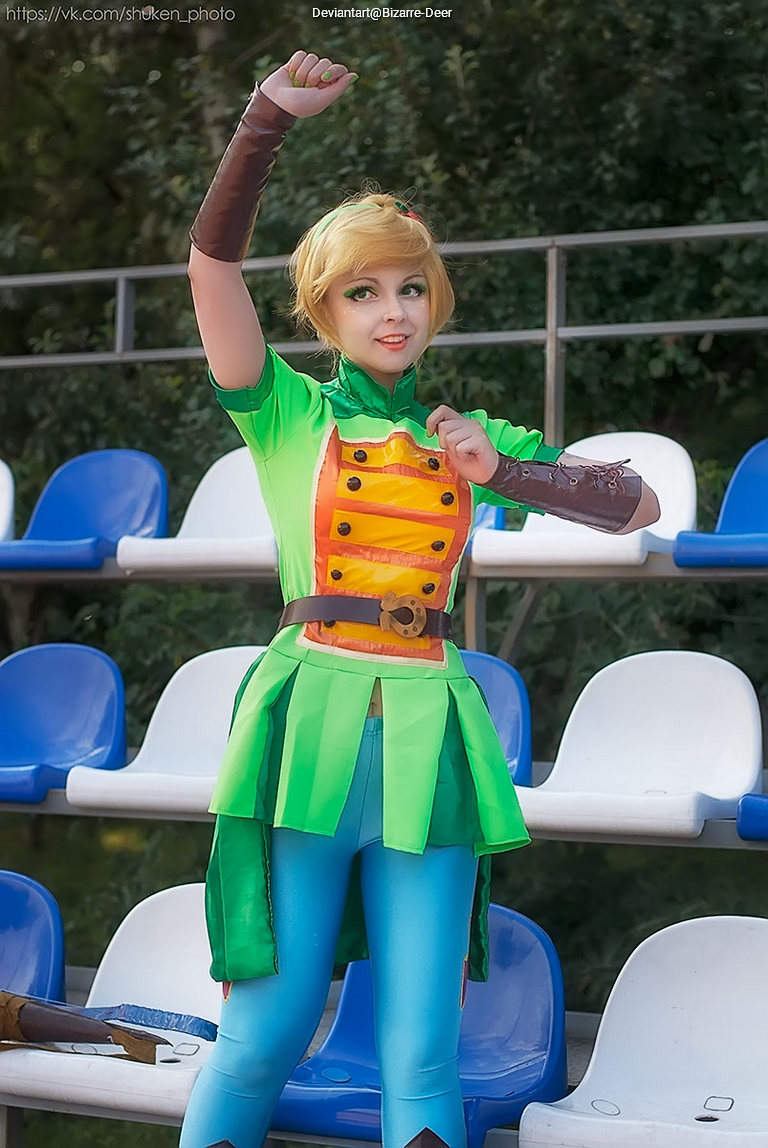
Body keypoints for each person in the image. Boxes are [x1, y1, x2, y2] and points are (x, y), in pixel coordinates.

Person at [179, 50, 660, 1148]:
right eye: (363, 291)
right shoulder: (286, 412)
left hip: (429, 738)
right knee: (264, 1033)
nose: (391, 312)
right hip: (309, 731)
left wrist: (507, 471)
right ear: (325, 310)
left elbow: (635, 504)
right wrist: (264, 122)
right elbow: (210, 268)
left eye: (408, 289)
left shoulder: (470, 438)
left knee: (422, 1048)